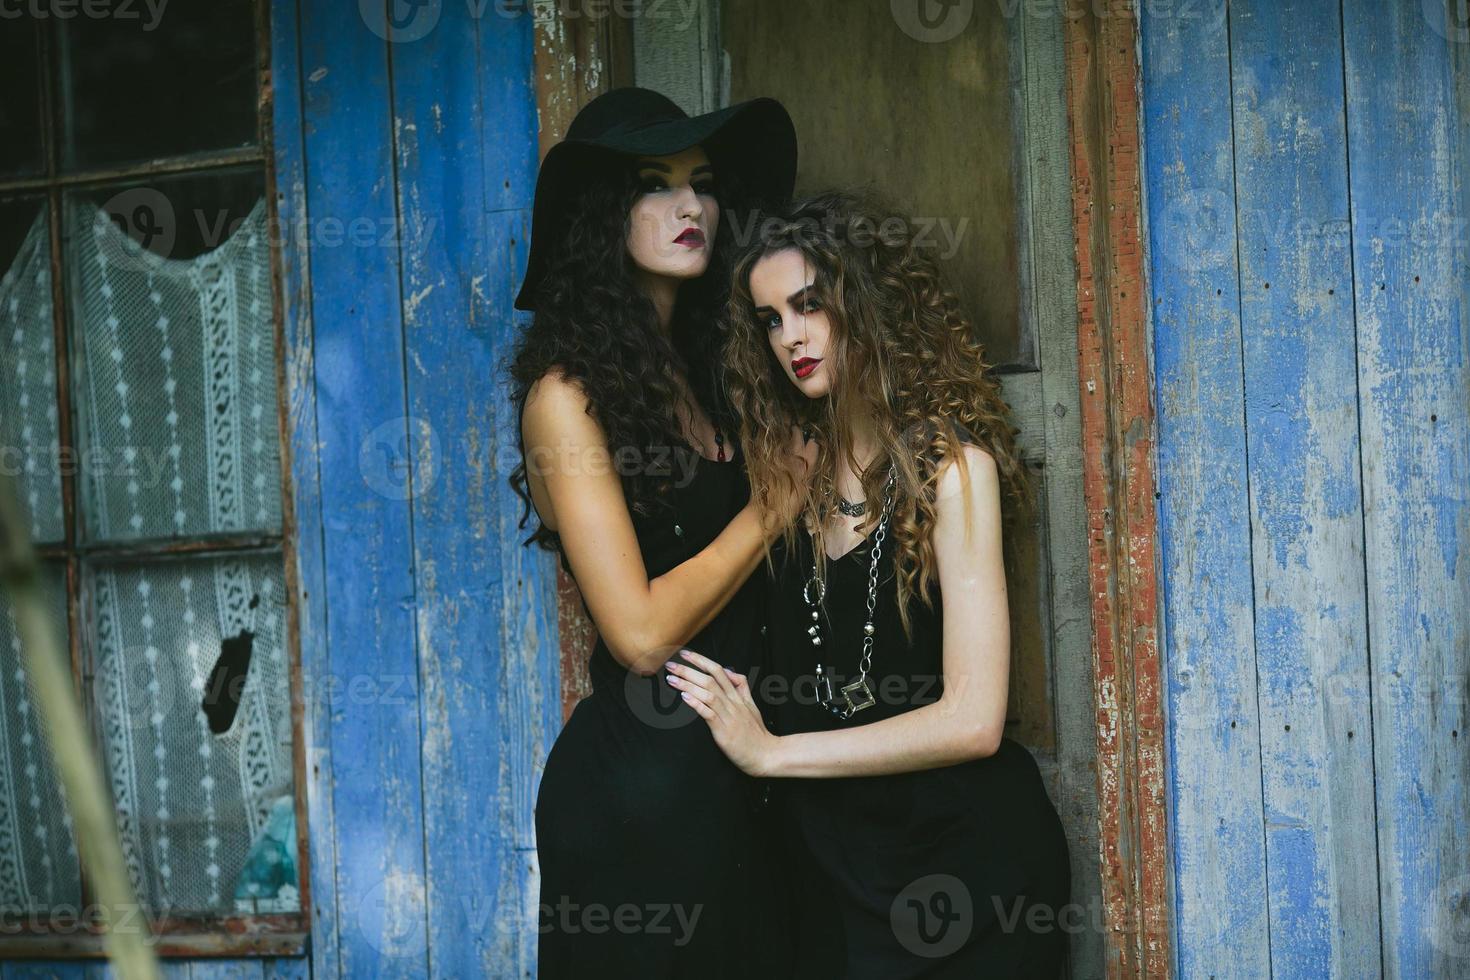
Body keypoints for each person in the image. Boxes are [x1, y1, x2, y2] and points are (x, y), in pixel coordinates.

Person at [665, 191, 1073, 978]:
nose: (792, 337)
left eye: (810, 305)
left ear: (864, 300)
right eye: (771, 320)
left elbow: (974, 720)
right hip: (833, 878)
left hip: (966, 872)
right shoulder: (788, 480)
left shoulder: (951, 471)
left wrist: (772, 754)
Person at [507, 87, 811, 978]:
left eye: (704, 183)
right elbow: (638, 634)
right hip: (641, 801)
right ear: (606, 216)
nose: (691, 208)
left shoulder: (715, 370)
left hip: (747, 780)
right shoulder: (566, 400)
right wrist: (770, 507)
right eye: (656, 184)